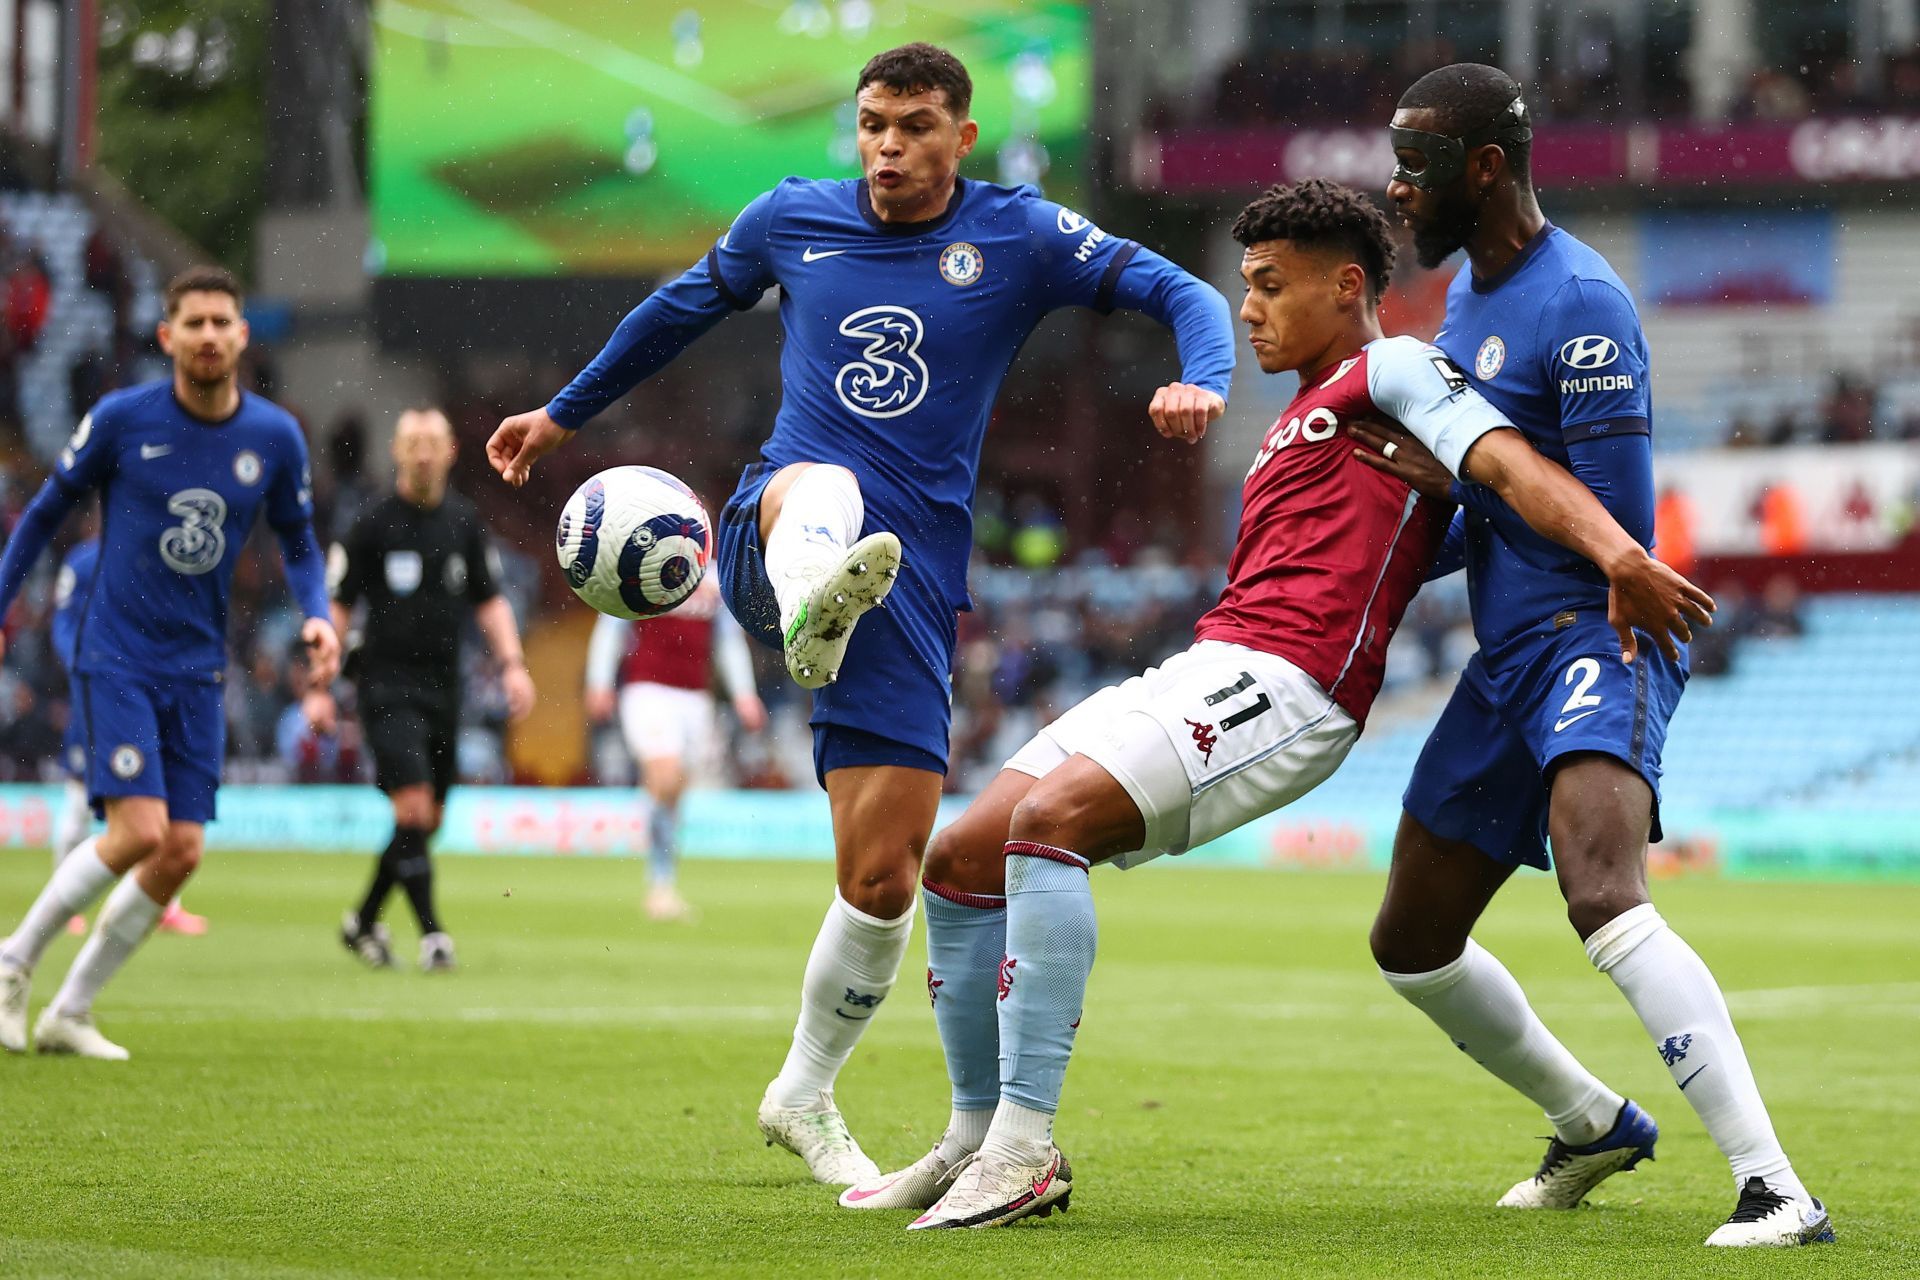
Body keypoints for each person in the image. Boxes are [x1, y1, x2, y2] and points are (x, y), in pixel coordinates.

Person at [844, 180, 1711, 1230]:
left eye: (1267, 285)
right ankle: (974, 1134)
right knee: (962, 856)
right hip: (1210, 658)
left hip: (1292, 683)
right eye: (1242, 285)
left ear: (1348, 287)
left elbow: (1509, 464)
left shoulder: (1393, 367)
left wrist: (1622, 552)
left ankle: (1026, 1150)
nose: (1246, 307)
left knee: (1047, 825)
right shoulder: (1304, 408)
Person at [485, 42, 1236, 1184]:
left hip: (910, 588)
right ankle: (805, 607)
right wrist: (560, 412)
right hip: (773, 526)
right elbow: (675, 310)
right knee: (827, 486)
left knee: (884, 877)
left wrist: (1207, 374)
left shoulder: (1020, 235)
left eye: (915, 124)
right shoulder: (793, 217)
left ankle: (802, 1086)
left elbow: (1175, 285)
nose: (888, 144)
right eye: (874, 123)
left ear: (961, 137)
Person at [1363, 63, 1831, 1248]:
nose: (1394, 184)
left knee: (1600, 887)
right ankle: (1591, 1122)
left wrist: (1474, 481)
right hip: (1506, 656)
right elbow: (1500, 504)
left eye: (1413, 163)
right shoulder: (1464, 294)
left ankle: (1776, 1186)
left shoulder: (1583, 300)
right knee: (1410, 939)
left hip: (1595, 634)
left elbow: (1614, 539)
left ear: (1482, 167)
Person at [0, 266, 340, 1060]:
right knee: (138, 830)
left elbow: (297, 541)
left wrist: (318, 615)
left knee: (182, 850)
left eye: (224, 321)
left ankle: (69, 1011)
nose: (211, 335)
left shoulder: (275, 437)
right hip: (116, 653)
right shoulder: (122, 420)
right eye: (195, 323)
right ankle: (13, 963)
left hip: (198, 666)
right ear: (167, 336)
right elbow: (44, 514)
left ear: (243, 334)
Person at [313, 408, 535, 973]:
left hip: (444, 687)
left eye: (431, 442)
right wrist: (319, 685)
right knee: (410, 807)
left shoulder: (463, 523)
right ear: (395, 450)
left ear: (451, 450)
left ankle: (362, 921)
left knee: (427, 819)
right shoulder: (370, 524)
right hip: (384, 684)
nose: (421, 453)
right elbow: (336, 606)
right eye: (411, 442)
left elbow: (489, 600)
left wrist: (512, 665)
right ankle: (434, 937)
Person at [51, 528, 208, 937]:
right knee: (78, 807)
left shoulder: (160, 557)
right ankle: (64, 902)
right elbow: (64, 624)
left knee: (156, 808)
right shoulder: (84, 561)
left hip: (147, 695)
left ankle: (163, 904)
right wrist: (91, 665)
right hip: (101, 691)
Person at [584, 574, 767, 922]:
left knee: (674, 791)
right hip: (647, 690)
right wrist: (599, 680)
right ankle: (656, 877)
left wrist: (744, 693)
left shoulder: (714, 576)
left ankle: (661, 885)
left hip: (696, 699)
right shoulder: (644, 567)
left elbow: (728, 639)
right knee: (665, 775)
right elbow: (612, 624)